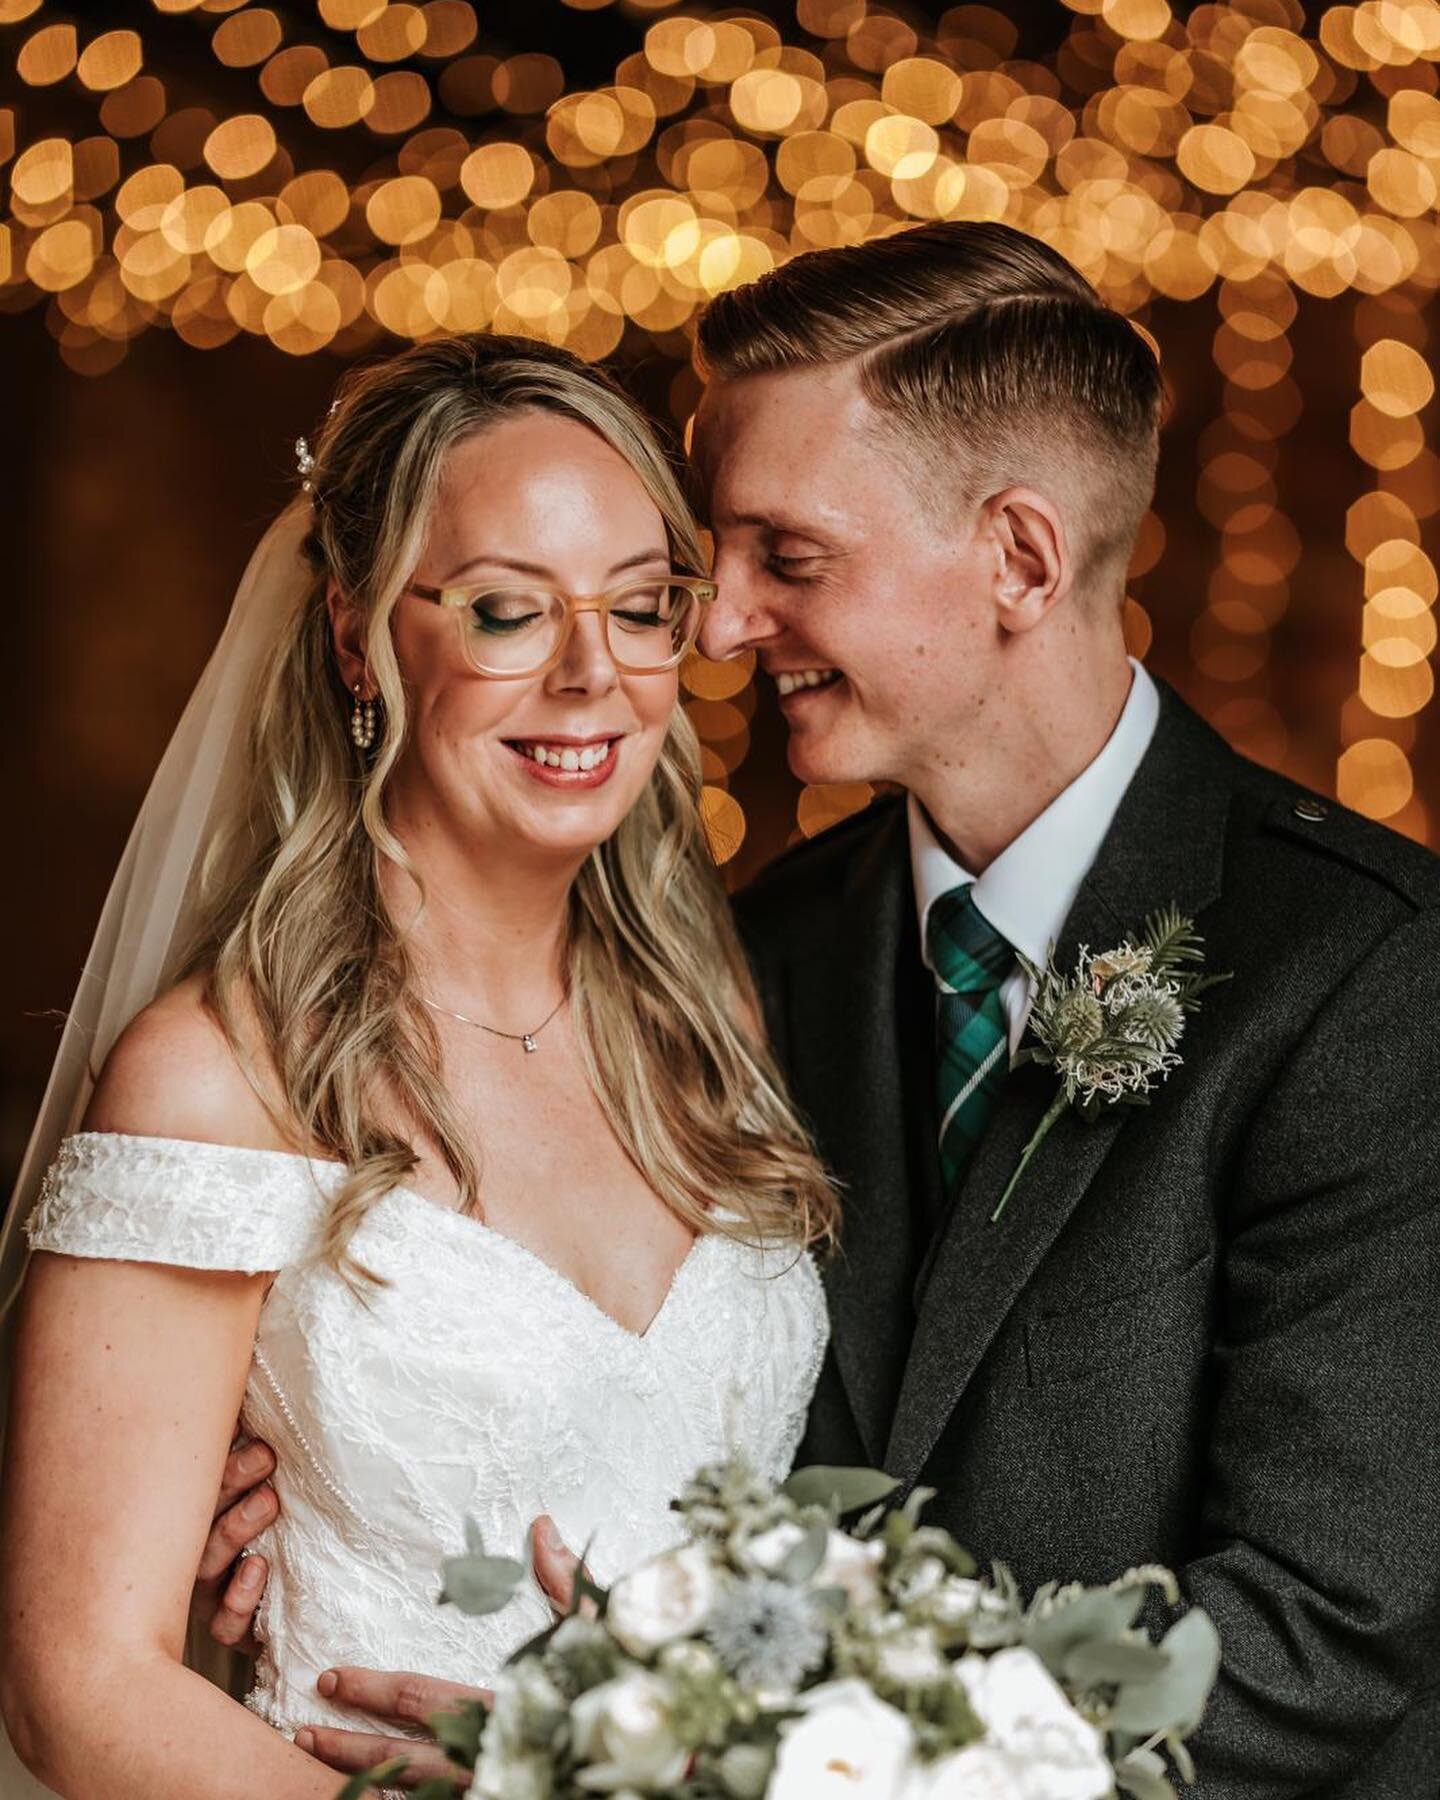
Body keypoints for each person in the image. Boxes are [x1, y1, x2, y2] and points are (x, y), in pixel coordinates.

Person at [213, 224, 1440, 1796]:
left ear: (1019, 556)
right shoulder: (739, 957)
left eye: (788, 560)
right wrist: (318, 1469)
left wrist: (723, 1762)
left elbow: (1317, 1632)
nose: (716, 629)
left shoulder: (1368, 976)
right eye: (712, 562)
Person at [0, 334, 835, 1799]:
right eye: (508, 611)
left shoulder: (714, 1031)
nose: (593, 677)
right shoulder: (221, 1075)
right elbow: (81, 1681)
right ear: (354, 634)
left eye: (640, 608)